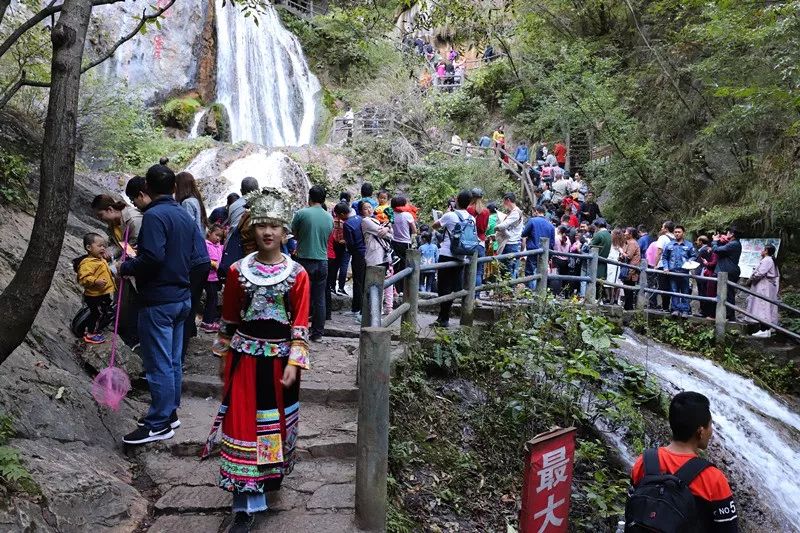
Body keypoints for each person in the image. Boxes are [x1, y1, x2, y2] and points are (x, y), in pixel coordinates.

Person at [204, 188, 310, 532]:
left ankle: (269, 475)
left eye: (275, 226)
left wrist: (295, 363)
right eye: (262, 225)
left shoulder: (298, 275)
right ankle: (245, 503)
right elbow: (230, 318)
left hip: (280, 363)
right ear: (253, 229)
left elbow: (300, 323)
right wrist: (224, 358)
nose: (268, 232)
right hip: (245, 360)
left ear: (284, 232)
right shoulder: (237, 271)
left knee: (273, 424)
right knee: (242, 426)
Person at [120, 163, 195, 445]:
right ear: (174, 187)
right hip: (182, 297)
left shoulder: (153, 216)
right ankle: (170, 413)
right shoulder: (184, 214)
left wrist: (125, 267)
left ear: (147, 189)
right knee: (173, 360)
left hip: (159, 300)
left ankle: (159, 423)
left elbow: (152, 258)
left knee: (159, 363)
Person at [629, 392, 738, 532]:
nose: (711, 431)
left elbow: (630, 512)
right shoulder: (713, 478)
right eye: (710, 425)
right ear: (700, 431)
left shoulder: (644, 462)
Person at [92, 192, 143, 346]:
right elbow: (120, 245)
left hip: (137, 266)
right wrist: (108, 254)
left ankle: (135, 338)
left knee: (136, 302)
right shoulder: (113, 225)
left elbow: (137, 248)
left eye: (101, 216)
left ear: (109, 210)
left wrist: (115, 266)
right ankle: (124, 330)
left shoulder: (133, 220)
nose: (100, 219)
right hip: (127, 264)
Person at [291, 185, 334, 342]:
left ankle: (299, 331)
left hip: (304, 260)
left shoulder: (302, 213)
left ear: (309, 197)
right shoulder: (329, 217)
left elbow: (293, 233)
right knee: (320, 298)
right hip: (323, 261)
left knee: (301, 296)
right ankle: (318, 334)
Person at [432, 190, 474, 327]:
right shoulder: (471, 218)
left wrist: (446, 213)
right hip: (462, 255)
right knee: (454, 287)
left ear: (457, 200)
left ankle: (443, 318)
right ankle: (445, 317)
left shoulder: (450, 215)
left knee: (443, 287)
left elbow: (435, 226)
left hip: (447, 254)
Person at [76, 233, 115, 344]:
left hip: (102, 294)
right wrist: (95, 281)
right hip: (94, 296)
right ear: (89, 248)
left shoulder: (99, 259)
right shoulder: (87, 263)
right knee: (98, 314)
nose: (103, 248)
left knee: (103, 311)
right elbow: (83, 278)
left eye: (104, 246)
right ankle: (91, 334)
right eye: (99, 246)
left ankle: (93, 328)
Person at [361, 201, 393, 313]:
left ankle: (387, 308)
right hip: (374, 256)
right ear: (362, 211)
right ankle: (374, 311)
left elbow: (390, 234)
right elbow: (383, 233)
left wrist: (387, 228)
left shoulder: (377, 220)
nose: (369, 210)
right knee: (375, 283)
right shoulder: (365, 221)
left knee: (386, 281)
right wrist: (387, 229)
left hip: (384, 255)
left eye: (370, 207)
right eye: (365, 208)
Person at [661, 225, 696, 318]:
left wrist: (690, 260)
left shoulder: (689, 245)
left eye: (679, 232)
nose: (677, 233)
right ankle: (675, 309)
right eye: (675, 232)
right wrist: (665, 267)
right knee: (674, 291)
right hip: (672, 272)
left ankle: (685, 310)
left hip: (684, 272)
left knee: (685, 291)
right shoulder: (670, 245)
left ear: (683, 233)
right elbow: (664, 257)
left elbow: (694, 256)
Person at [747, 244, 779, 337]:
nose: (761, 251)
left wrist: (752, 278)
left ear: (766, 251)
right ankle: (765, 329)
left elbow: (760, 273)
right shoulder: (770, 260)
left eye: (763, 250)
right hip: (765, 285)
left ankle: (764, 329)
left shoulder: (767, 260)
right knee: (764, 306)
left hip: (764, 286)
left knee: (763, 306)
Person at [712, 227, 742, 322]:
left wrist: (714, 241)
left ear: (732, 234)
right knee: (725, 293)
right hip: (726, 270)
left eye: (727, 232)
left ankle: (729, 315)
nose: (726, 233)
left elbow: (717, 250)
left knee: (728, 293)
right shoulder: (733, 243)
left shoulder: (734, 244)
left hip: (728, 271)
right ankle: (726, 314)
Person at [521, 205, 554, 290]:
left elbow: (524, 233)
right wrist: (550, 255)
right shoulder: (550, 225)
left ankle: (531, 292)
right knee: (541, 271)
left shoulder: (532, 221)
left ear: (536, 211)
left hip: (533, 250)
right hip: (545, 252)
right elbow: (552, 242)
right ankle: (539, 291)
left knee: (530, 271)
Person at [343, 202, 366, 321]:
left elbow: (350, 243)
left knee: (358, 282)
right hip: (367, 252)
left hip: (357, 254)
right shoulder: (360, 218)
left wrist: (350, 252)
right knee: (364, 280)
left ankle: (357, 309)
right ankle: (361, 309)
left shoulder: (347, 224)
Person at [325, 202, 349, 320]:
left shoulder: (333, 221)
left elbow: (332, 234)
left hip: (335, 246)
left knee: (335, 267)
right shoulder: (345, 222)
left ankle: (333, 286)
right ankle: (340, 287)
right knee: (341, 266)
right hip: (341, 246)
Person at [200, 224, 225, 333]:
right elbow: (205, 258)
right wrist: (213, 264)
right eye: (216, 235)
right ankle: (207, 322)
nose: (218, 238)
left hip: (216, 277)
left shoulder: (219, 246)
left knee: (213, 299)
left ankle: (209, 320)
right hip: (209, 277)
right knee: (212, 299)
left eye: (220, 236)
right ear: (209, 233)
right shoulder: (206, 244)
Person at [495, 192, 524, 278]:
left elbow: (504, 225)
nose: (504, 204)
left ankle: (510, 290)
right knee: (506, 269)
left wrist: (496, 228)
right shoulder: (513, 212)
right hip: (510, 243)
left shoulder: (516, 212)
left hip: (511, 243)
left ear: (508, 200)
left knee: (508, 269)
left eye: (504, 202)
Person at [466, 188, 489, 295]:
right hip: (481, 243)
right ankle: (477, 296)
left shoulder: (469, 209)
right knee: (479, 272)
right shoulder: (486, 211)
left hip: (469, 243)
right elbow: (484, 228)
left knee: (468, 270)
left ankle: (467, 295)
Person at [654, 221, 677, 312]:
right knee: (673, 286)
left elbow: (659, 252)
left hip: (663, 265)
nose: (661, 229)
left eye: (662, 227)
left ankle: (665, 307)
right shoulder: (676, 237)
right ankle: (673, 307)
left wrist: (655, 264)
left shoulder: (663, 237)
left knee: (664, 286)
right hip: (673, 265)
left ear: (666, 229)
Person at [696, 236, 718, 318]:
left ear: (701, 241)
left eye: (698, 241)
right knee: (704, 292)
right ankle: (704, 311)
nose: (696, 242)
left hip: (704, 273)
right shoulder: (708, 249)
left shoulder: (704, 250)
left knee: (703, 292)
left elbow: (705, 262)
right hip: (705, 272)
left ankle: (703, 311)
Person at [590, 218, 611, 299]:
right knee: (601, 282)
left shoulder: (599, 234)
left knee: (595, 281)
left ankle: (594, 299)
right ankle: (600, 299)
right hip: (604, 261)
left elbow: (590, 245)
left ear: (597, 226)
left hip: (597, 261)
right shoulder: (609, 234)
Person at [621, 227, 642, 310]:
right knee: (627, 288)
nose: (624, 233)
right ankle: (627, 305)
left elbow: (629, 256)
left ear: (630, 234)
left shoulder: (632, 243)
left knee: (629, 288)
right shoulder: (628, 242)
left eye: (626, 232)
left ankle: (628, 306)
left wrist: (621, 252)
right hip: (628, 269)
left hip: (630, 270)